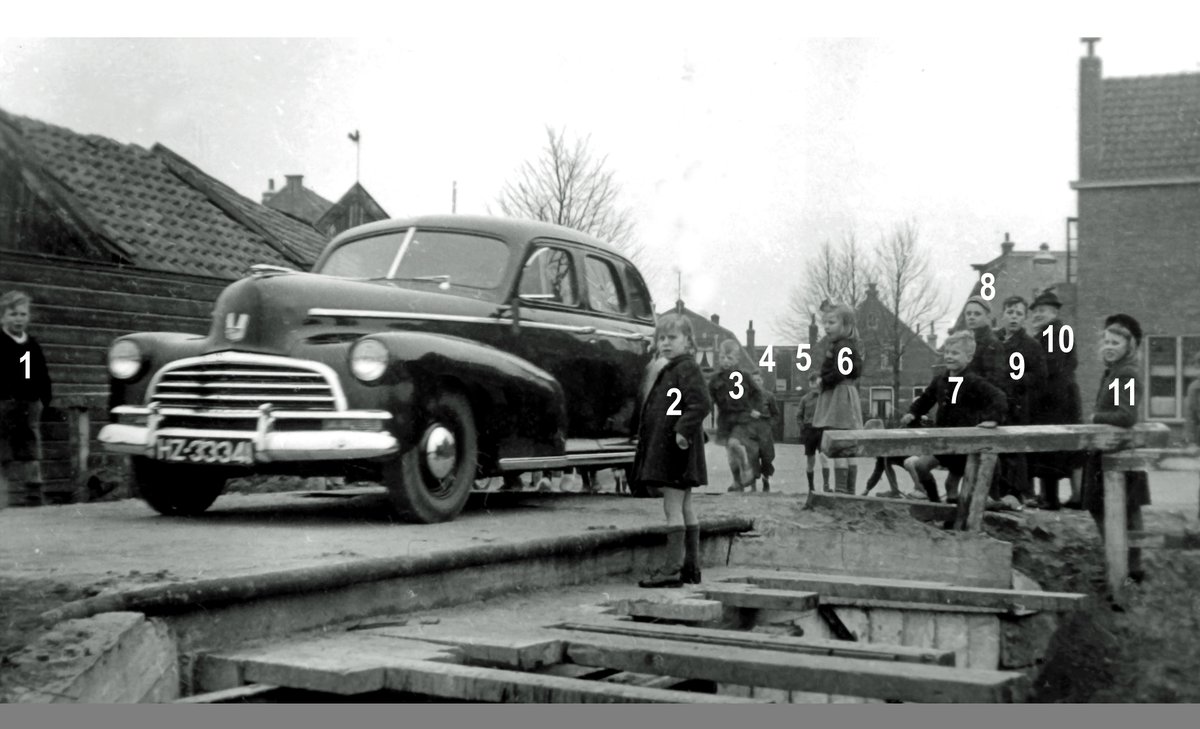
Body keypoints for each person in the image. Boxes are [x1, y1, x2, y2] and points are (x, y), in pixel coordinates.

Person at [631, 313, 712, 588]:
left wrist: (682, 430)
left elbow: (700, 403)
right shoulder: (675, 368)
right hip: (677, 449)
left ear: (688, 341)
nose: (665, 343)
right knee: (686, 506)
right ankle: (691, 567)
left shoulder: (685, 368)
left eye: (672, 338)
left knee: (672, 507)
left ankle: (672, 569)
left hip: (676, 449)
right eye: (661, 338)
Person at [1080, 314, 1149, 585]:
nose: (1109, 346)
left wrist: (1096, 418)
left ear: (1128, 346)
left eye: (1116, 342)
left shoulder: (1128, 374)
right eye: (1106, 341)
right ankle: (1116, 564)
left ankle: (1130, 568)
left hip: (1119, 453)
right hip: (1104, 452)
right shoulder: (1112, 372)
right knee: (1099, 509)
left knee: (1127, 511)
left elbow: (1127, 415)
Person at [901, 331, 1007, 502]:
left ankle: (953, 516)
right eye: (947, 352)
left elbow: (998, 397)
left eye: (955, 353)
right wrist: (913, 412)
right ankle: (934, 503)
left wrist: (993, 419)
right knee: (920, 466)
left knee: (951, 484)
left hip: (963, 444)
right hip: (942, 440)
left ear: (969, 357)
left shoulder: (973, 382)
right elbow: (926, 399)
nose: (949, 356)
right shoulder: (940, 380)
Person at [1027, 289, 1083, 510]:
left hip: (1054, 401)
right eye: (1035, 311)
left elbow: (1051, 366)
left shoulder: (1054, 334)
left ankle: (1051, 499)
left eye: (1042, 310)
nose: (1037, 315)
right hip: (1061, 398)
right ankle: (1070, 496)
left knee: (1050, 447)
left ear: (1054, 311)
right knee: (1063, 450)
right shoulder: (1054, 332)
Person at [1, 290, 52, 508]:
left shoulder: (30, 346)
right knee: (1, 449)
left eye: (23, 314)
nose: (18, 319)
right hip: (2, 404)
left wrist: (43, 399)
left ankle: (34, 495)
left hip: (28, 404)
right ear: (2, 317)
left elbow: (37, 374)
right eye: (13, 314)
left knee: (30, 446)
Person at [995, 295, 1047, 502]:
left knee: (1014, 449)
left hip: (1017, 404)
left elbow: (1041, 376)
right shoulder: (994, 340)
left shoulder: (1030, 345)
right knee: (994, 447)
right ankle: (995, 491)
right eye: (1010, 312)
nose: (1014, 317)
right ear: (1002, 315)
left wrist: (1018, 379)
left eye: (1018, 314)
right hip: (994, 402)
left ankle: (1016, 493)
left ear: (1025, 318)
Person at [812, 303, 865, 494]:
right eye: (825, 323)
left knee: (840, 441)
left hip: (839, 395)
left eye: (831, 322)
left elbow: (842, 371)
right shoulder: (846, 346)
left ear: (846, 325)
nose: (826, 327)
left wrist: (823, 381)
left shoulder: (842, 346)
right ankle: (849, 489)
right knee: (848, 442)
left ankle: (842, 489)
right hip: (845, 393)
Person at [709, 339, 763, 492]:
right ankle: (737, 482)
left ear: (737, 359)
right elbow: (709, 398)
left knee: (734, 443)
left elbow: (758, 393)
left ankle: (747, 467)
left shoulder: (744, 376)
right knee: (730, 454)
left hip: (742, 417)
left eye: (729, 358)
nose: (725, 361)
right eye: (722, 358)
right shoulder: (715, 379)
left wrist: (756, 409)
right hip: (725, 419)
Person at [796, 373, 830, 492]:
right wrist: (803, 429)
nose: (814, 385)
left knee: (824, 457)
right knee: (810, 460)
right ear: (809, 384)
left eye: (816, 382)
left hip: (822, 430)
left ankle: (826, 486)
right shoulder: (805, 399)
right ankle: (811, 487)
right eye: (812, 383)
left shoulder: (825, 397)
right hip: (810, 431)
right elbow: (799, 416)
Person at [750, 372, 778, 492]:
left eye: (759, 380)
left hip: (765, 432)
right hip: (751, 431)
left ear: (762, 381)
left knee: (767, 458)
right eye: (754, 380)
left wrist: (769, 425)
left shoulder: (769, 396)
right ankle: (753, 485)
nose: (757, 382)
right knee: (752, 457)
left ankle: (765, 480)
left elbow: (776, 415)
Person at [861, 418, 902, 498]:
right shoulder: (884, 445)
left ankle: (919, 490)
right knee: (886, 466)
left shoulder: (884, 447)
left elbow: (878, 470)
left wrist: (867, 490)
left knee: (888, 465)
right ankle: (895, 491)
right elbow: (879, 468)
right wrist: (867, 489)